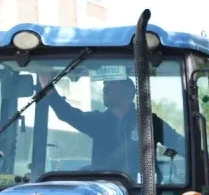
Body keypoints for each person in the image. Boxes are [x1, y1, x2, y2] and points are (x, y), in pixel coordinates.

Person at [42, 76, 185, 179]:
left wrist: (200, 164)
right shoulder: (97, 121)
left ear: (129, 92)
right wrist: (48, 87)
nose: (105, 87)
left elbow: (179, 143)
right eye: (105, 84)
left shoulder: (148, 122)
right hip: (105, 192)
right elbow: (66, 113)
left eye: (112, 83)